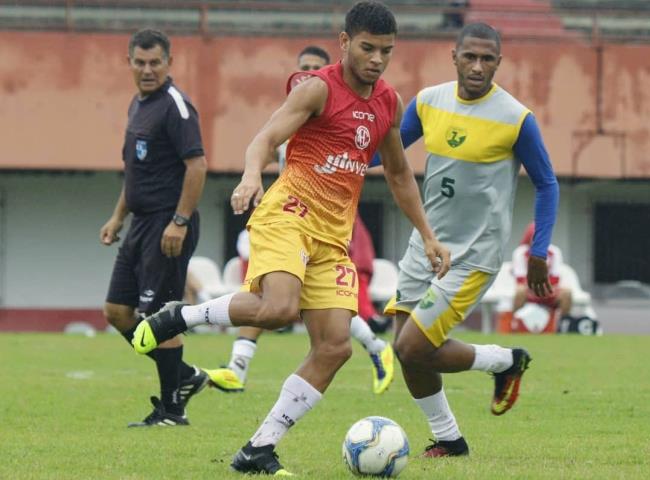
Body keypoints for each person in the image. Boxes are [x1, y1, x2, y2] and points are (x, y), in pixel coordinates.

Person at [133, 2, 450, 474]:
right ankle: (182, 315)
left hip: (332, 236)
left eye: (386, 51)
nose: (377, 59)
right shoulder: (318, 88)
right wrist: (249, 177)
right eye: (367, 48)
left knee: (335, 347)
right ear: (344, 43)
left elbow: (401, 174)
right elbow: (264, 137)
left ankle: (258, 449)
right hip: (288, 214)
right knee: (279, 307)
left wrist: (427, 235)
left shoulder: (388, 101)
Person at [382, 22, 559, 457]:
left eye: (487, 59)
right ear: (454, 56)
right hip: (423, 246)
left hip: (473, 256)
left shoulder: (516, 119)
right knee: (406, 351)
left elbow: (547, 184)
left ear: (499, 63)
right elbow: (384, 154)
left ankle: (505, 360)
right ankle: (449, 438)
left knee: (412, 347)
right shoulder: (427, 102)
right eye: (470, 57)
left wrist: (538, 252)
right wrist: (328, 152)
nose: (477, 66)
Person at [205, 44, 395, 397]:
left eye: (315, 67)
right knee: (272, 294)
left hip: (329, 224)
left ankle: (373, 345)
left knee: (321, 306)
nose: (308, 73)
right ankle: (237, 367)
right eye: (303, 67)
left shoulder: (341, 113)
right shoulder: (290, 120)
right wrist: (256, 182)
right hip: (289, 218)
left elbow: (362, 161)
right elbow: (275, 157)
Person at [100, 29, 209, 427]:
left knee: (161, 317)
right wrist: (117, 216)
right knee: (116, 311)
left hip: (168, 224)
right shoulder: (137, 105)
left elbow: (197, 167)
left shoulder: (176, 107)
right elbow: (136, 173)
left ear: (169, 64)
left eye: (155, 62)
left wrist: (179, 221)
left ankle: (172, 411)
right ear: (129, 62)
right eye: (140, 62)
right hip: (140, 224)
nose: (147, 69)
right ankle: (183, 377)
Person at [512, 222, 572, 318]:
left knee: (566, 293)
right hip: (529, 290)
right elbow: (520, 279)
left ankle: (563, 324)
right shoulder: (521, 252)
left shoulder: (554, 251)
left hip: (548, 289)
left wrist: (544, 287)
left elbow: (555, 278)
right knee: (520, 291)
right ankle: (517, 323)